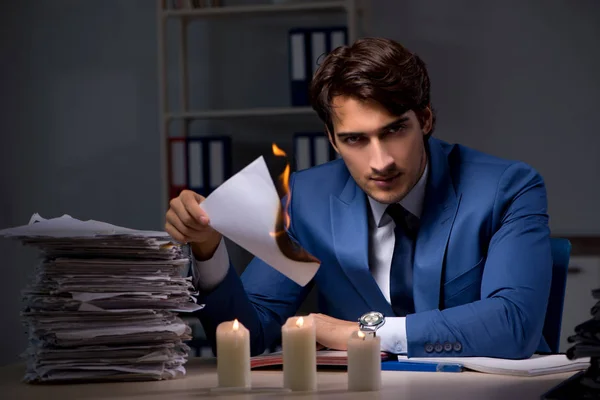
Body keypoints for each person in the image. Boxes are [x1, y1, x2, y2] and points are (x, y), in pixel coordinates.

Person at [165, 37, 552, 359]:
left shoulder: (508, 188)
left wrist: (364, 332)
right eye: (355, 139)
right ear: (332, 139)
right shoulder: (305, 200)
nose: (380, 162)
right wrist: (206, 250)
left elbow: (514, 325)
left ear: (426, 120)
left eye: (395, 131)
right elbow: (245, 340)